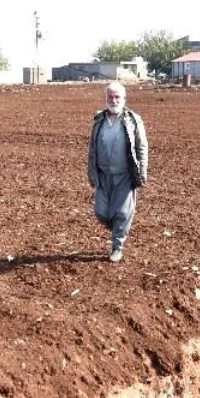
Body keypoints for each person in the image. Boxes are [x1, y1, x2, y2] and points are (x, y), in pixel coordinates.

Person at [87, 80, 148, 262]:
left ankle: (117, 246)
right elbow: (91, 148)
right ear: (105, 98)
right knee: (101, 212)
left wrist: (142, 172)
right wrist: (91, 171)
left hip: (124, 175)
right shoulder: (99, 121)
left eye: (117, 97)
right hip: (103, 175)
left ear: (124, 99)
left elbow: (142, 147)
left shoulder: (133, 121)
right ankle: (118, 228)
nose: (114, 100)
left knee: (121, 213)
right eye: (110, 97)